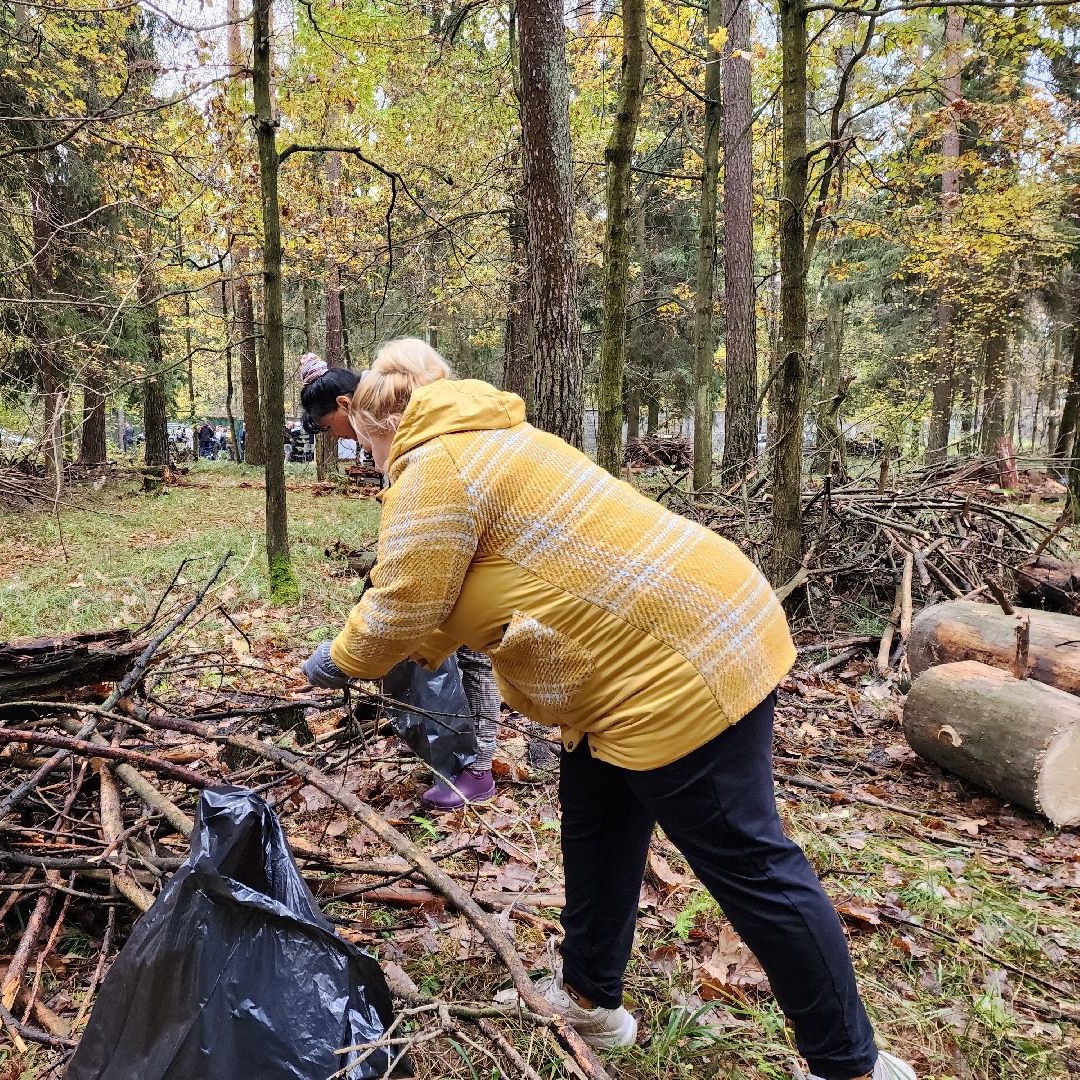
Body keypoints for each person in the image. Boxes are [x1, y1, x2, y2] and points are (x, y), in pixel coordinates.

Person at [299, 338, 915, 1080]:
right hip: (651, 655)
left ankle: (851, 1065)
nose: (367, 463)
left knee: (749, 862)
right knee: (597, 822)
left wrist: (337, 660)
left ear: (376, 424)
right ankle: (591, 997)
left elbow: (404, 603)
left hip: (679, 664)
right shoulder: (491, 436)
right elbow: (454, 596)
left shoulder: (435, 464)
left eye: (363, 448)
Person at [301, 355, 499, 810]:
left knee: (474, 657)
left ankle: (479, 766)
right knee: (459, 653)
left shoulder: (431, 459)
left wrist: (340, 660)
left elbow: (409, 593)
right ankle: (466, 757)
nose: (353, 446)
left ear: (353, 408)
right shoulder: (444, 437)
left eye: (337, 428)